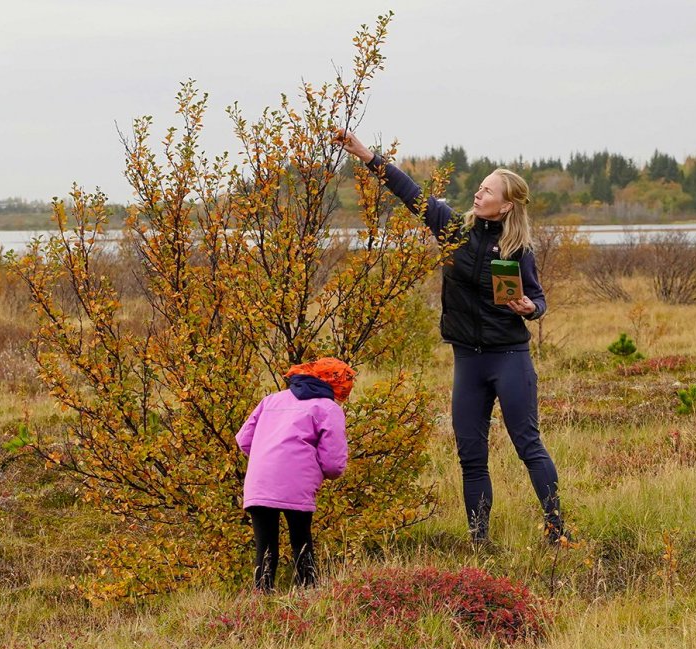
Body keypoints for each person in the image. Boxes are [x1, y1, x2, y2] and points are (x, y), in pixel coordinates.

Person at [335, 128, 567, 544]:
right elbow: (412, 194)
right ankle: (479, 541)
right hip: (468, 360)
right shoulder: (452, 230)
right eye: (478, 188)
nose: (478, 195)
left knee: (528, 445)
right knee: (471, 457)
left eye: (487, 191)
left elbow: (537, 297)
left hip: (509, 356)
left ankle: (558, 531)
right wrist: (368, 156)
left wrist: (532, 309)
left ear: (506, 204)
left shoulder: (518, 250)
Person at [236, 357, 356, 590]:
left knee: (265, 547)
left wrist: (267, 458)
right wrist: (323, 472)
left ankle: (261, 600)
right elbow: (333, 463)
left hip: (259, 482)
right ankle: (307, 593)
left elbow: (243, 440)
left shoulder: (271, 400)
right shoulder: (328, 408)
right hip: (296, 484)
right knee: (301, 542)